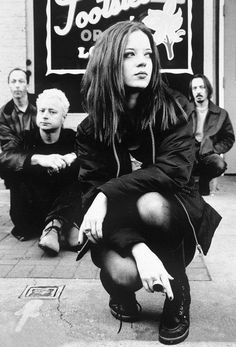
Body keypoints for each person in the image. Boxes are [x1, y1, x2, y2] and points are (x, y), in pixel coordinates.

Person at [75, 21, 222, 345]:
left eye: (147, 54)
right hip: (119, 225)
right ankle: (125, 290)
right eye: (130, 54)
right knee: (122, 273)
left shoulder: (176, 107)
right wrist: (138, 250)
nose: (143, 62)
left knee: (150, 202)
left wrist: (106, 193)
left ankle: (177, 293)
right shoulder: (91, 128)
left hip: (169, 213)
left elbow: (173, 173)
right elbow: (89, 195)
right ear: (110, 61)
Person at [0, 88, 80, 255]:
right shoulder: (25, 138)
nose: (45, 115)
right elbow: (5, 160)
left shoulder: (72, 139)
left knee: (80, 172)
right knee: (22, 168)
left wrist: (73, 156)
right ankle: (65, 227)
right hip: (30, 216)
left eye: (52, 111)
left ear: (64, 116)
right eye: (42, 110)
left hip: (60, 205)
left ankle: (54, 226)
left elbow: (92, 157)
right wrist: (36, 159)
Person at [0, 67, 37, 239]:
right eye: (13, 81)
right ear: (8, 85)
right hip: (20, 162)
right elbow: (9, 148)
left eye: (21, 81)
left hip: (41, 157)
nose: (17, 86)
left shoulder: (40, 106)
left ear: (27, 84)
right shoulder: (4, 114)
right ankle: (22, 224)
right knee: (16, 173)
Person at [188, 74, 235, 195]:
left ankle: (204, 181)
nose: (198, 91)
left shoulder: (221, 113)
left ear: (208, 89)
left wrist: (214, 149)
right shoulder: (184, 111)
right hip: (188, 153)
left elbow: (229, 138)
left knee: (219, 164)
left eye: (202, 87)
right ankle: (192, 185)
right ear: (191, 91)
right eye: (195, 88)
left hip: (208, 154)